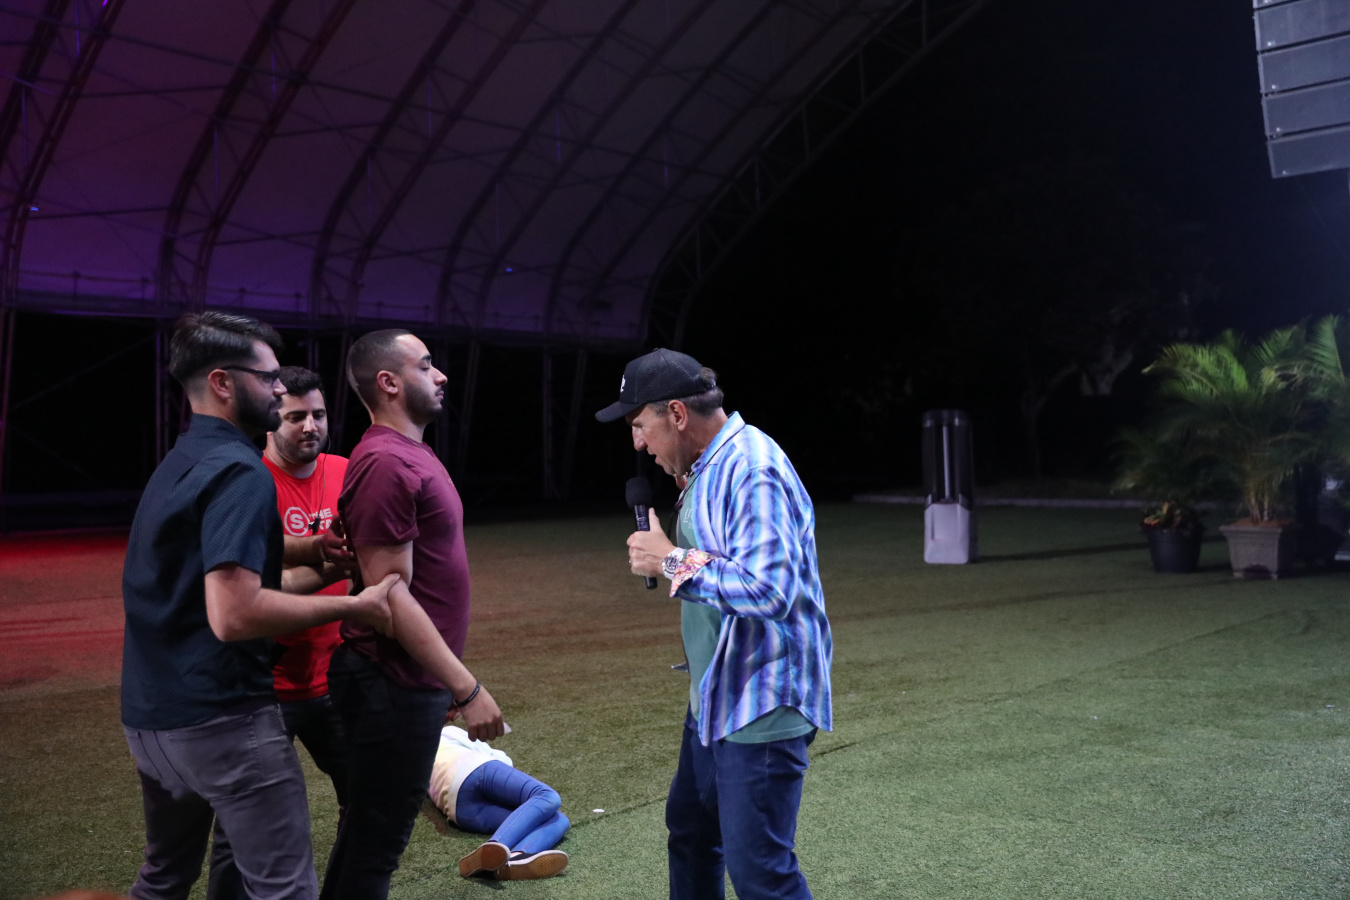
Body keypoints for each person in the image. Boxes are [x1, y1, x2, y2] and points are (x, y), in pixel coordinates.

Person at [120, 311, 396, 900]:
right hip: (221, 718)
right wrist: (354, 608)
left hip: (150, 719)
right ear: (222, 382)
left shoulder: (181, 462)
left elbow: (209, 559)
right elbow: (235, 614)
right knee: (284, 888)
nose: (277, 389)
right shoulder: (241, 471)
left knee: (163, 878)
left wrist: (312, 550)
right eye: (268, 377)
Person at [596, 348, 833, 900]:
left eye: (639, 425)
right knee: (693, 832)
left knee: (761, 875)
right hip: (719, 696)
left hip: (761, 702)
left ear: (677, 414)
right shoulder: (710, 465)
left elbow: (770, 590)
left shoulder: (752, 469)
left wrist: (669, 561)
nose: (638, 443)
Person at [322, 328, 505, 900]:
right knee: (376, 845)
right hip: (388, 682)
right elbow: (389, 597)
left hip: (405, 680)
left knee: (368, 837)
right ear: (389, 382)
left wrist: (441, 681)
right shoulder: (385, 461)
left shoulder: (408, 453)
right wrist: (466, 687)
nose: (441, 374)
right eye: (426, 365)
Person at [428, 726, 570, 881]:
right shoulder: (445, 732)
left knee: (558, 819)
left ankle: (515, 859)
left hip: (457, 809)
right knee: (547, 796)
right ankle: (495, 845)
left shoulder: (413, 760)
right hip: (473, 769)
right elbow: (497, 757)